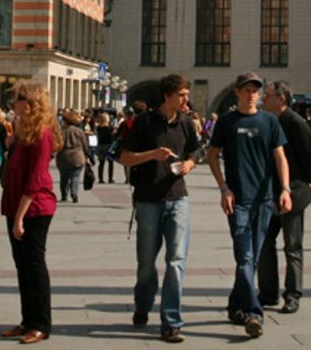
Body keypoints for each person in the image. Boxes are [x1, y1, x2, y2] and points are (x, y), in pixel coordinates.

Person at [207, 72, 291, 340]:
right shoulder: (227, 122)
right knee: (244, 256)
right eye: (246, 89)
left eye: (256, 89)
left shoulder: (269, 121)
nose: (252, 94)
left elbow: (280, 157)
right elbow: (212, 154)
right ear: (237, 92)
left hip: (264, 200)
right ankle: (254, 314)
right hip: (238, 200)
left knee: (251, 258)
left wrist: (285, 189)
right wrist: (223, 188)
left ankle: (235, 305)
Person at [118, 74, 200, 342]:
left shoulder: (186, 123)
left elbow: (195, 152)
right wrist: (152, 155)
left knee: (176, 261)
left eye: (187, 95)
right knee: (146, 263)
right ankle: (142, 305)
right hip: (148, 200)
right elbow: (124, 157)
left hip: (178, 198)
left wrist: (190, 164)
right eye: (182, 95)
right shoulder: (143, 123)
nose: (186, 99)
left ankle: (171, 321)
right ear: (167, 96)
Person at [0, 81, 60, 345]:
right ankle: (27, 320)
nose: (13, 105)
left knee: (34, 265)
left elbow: (36, 178)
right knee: (22, 266)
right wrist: (9, 143)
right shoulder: (23, 131)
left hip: (34, 208)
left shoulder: (43, 132)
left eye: (17, 100)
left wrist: (20, 217)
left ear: (30, 102)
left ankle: (41, 324)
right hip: (16, 204)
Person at [259, 79, 311, 315]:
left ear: (281, 99)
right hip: (269, 192)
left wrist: (305, 181)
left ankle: (293, 295)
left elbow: (309, 157)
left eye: (268, 96)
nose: (264, 99)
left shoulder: (295, 122)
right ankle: (268, 292)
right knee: (265, 244)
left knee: (292, 245)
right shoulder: (267, 121)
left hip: (292, 191)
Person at [56, 110, 89, 204]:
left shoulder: (61, 132)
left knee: (64, 177)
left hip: (63, 157)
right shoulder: (79, 131)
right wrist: (87, 155)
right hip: (77, 157)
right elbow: (85, 145)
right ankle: (74, 193)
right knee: (75, 176)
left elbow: (57, 145)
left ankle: (64, 195)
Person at [94, 112, 116, 183]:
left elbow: (96, 135)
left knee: (101, 163)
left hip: (100, 146)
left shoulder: (98, 128)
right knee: (110, 162)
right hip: (108, 146)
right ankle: (110, 178)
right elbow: (113, 136)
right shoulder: (110, 127)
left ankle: (100, 178)